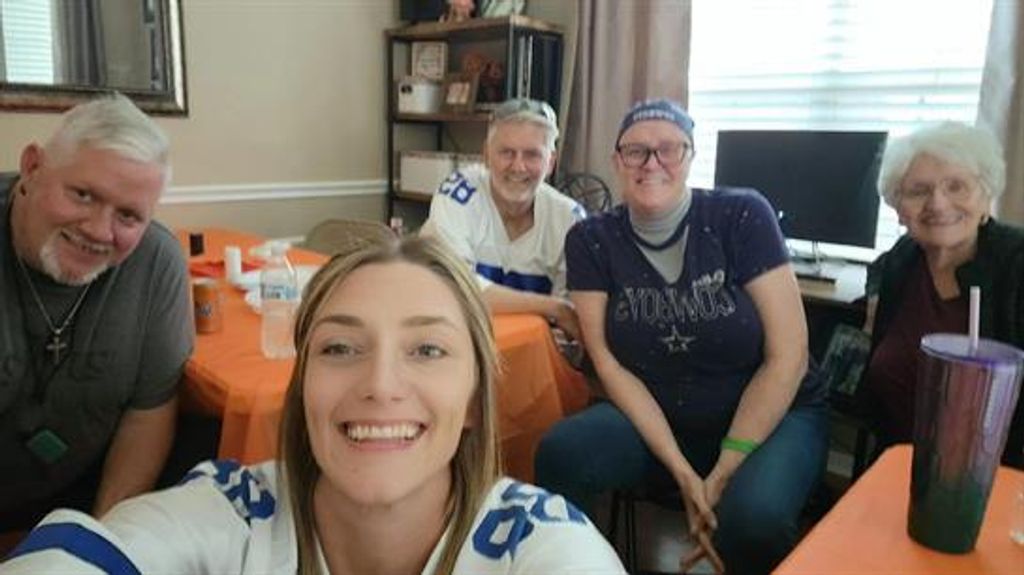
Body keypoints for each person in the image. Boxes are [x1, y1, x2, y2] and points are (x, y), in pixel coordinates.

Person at [0, 236, 626, 574]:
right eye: (340, 348)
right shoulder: (230, 514)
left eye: (428, 350)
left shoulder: (542, 545)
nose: (380, 384)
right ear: (302, 389)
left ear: (474, 402)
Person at [534, 99, 829, 575]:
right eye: (636, 151)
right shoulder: (591, 239)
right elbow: (607, 363)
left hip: (772, 415)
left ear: (691, 155)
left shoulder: (742, 215)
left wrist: (724, 470)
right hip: (657, 415)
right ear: (616, 161)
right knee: (561, 452)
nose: (652, 163)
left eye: (669, 149)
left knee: (754, 521)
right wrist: (682, 471)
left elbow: (789, 356)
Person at [0, 94, 193, 531]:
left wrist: (98, 544)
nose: (99, 231)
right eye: (83, 195)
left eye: (128, 216)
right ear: (32, 168)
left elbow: (149, 411)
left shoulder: (157, 262)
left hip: (75, 508)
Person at [862, 121, 1024, 469]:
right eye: (918, 191)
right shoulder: (904, 259)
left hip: (999, 477)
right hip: (897, 462)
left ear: (986, 196)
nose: (937, 204)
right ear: (898, 208)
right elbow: (878, 268)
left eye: (956, 186)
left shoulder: (1016, 263)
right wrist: (874, 295)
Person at [420, 98, 586, 341]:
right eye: (506, 152)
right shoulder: (458, 195)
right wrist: (551, 307)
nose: (518, 167)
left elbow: (570, 322)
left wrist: (560, 313)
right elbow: (454, 288)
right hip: (459, 344)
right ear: (486, 155)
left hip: (530, 351)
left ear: (550, 162)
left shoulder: (569, 219)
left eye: (532, 155)